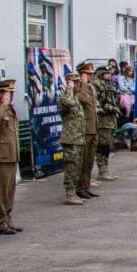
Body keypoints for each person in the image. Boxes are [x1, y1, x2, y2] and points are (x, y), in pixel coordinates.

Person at [0, 79, 21, 234]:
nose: (10, 96)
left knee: (9, 192)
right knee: (0, 193)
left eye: (11, 93)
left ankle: (7, 220)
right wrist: (4, 105)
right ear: (1, 94)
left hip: (11, 156)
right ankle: (0, 223)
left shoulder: (10, 109)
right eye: (7, 93)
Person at [57, 73, 86, 205]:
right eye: (75, 82)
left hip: (79, 137)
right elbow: (67, 104)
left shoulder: (76, 97)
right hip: (70, 138)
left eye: (78, 82)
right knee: (71, 166)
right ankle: (69, 194)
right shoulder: (64, 96)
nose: (78, 84)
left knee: (77, 166)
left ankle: (73, 193)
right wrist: (69, 88)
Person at [75, 62, 100, 197]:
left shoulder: (90, 88)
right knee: (83, 161)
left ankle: (86, 186)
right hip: (85, 129)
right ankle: (79, 188)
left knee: (90, 161)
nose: (91, 76)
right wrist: (83, 84)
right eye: (88, 74)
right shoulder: (79, 87)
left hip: (93, 128)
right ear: (82, 75)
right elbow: (82, 100)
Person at [93, 67, 120, 181]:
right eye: (106, 73)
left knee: (107, 145)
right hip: (102, 119)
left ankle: (105, 169)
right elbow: (97, 103)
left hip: (110, 119)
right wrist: (110, 108)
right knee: (102, 145)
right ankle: (102, 170)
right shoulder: (97, 85)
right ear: (101, 74)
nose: (109, 75)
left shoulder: (109, 84)